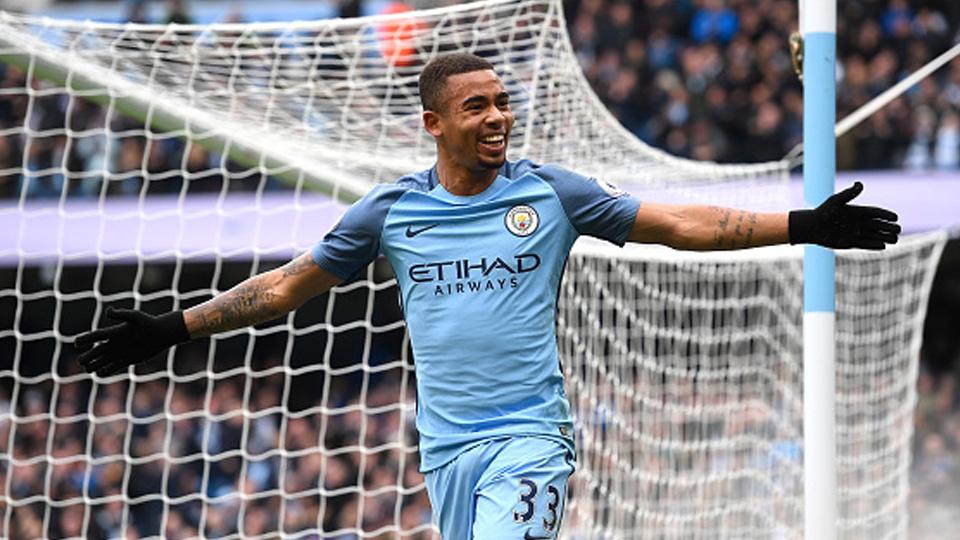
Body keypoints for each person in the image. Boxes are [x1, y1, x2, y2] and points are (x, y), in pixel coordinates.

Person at [74, 53, 900, 539]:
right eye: (478, 107)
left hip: (529, 440)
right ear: (435, 123)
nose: (499, 116)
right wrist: (172, 328)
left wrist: (801, 223)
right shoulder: (392, 211)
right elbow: (288, 286)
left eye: (503, 102)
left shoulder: (552, 194)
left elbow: (682, 223)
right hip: (448, 455)